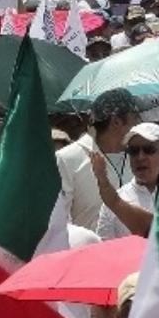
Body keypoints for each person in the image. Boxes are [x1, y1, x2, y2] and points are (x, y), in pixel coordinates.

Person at [57, 90, 141, 232]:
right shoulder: (67, 159)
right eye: (135, 118)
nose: (139, 125)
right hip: (89, 252)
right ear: (117, 122)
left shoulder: (141, 156)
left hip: (137, 252)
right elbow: (59, 221)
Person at [96, 122, 159, 240]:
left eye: (148, 149)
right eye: (134, 151)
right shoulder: (112, 202)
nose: (140, 157)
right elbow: (106, 250)